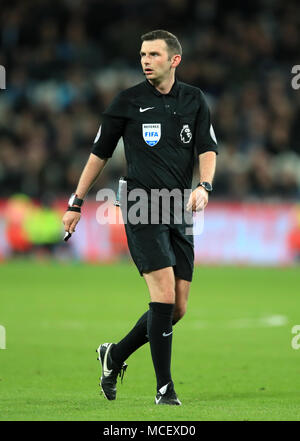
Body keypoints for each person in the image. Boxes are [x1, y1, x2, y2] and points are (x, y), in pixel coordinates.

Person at [62, 29, 218, 406]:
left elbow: (208, 147)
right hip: (139, 204)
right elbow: (98, 154)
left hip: (179, 205)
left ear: (174, 60)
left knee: (177, 308)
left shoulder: (194, 100)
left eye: (153, 54)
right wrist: (76, 202)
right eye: (142, 54)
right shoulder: (128, 101)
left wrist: (205, 186)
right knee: (162, 296)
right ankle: (165, 390)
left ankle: (113, 356)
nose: (145, 60)